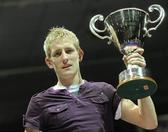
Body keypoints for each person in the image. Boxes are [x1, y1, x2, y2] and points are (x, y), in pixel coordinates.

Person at [23, 27, 158, 132]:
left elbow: (148, 121)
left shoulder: (104, 91)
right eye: (57, 54)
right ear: (49, 62)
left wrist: (138, 75)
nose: (64, 58)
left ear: (80, 55)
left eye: (69, 51)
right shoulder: (39, 102)